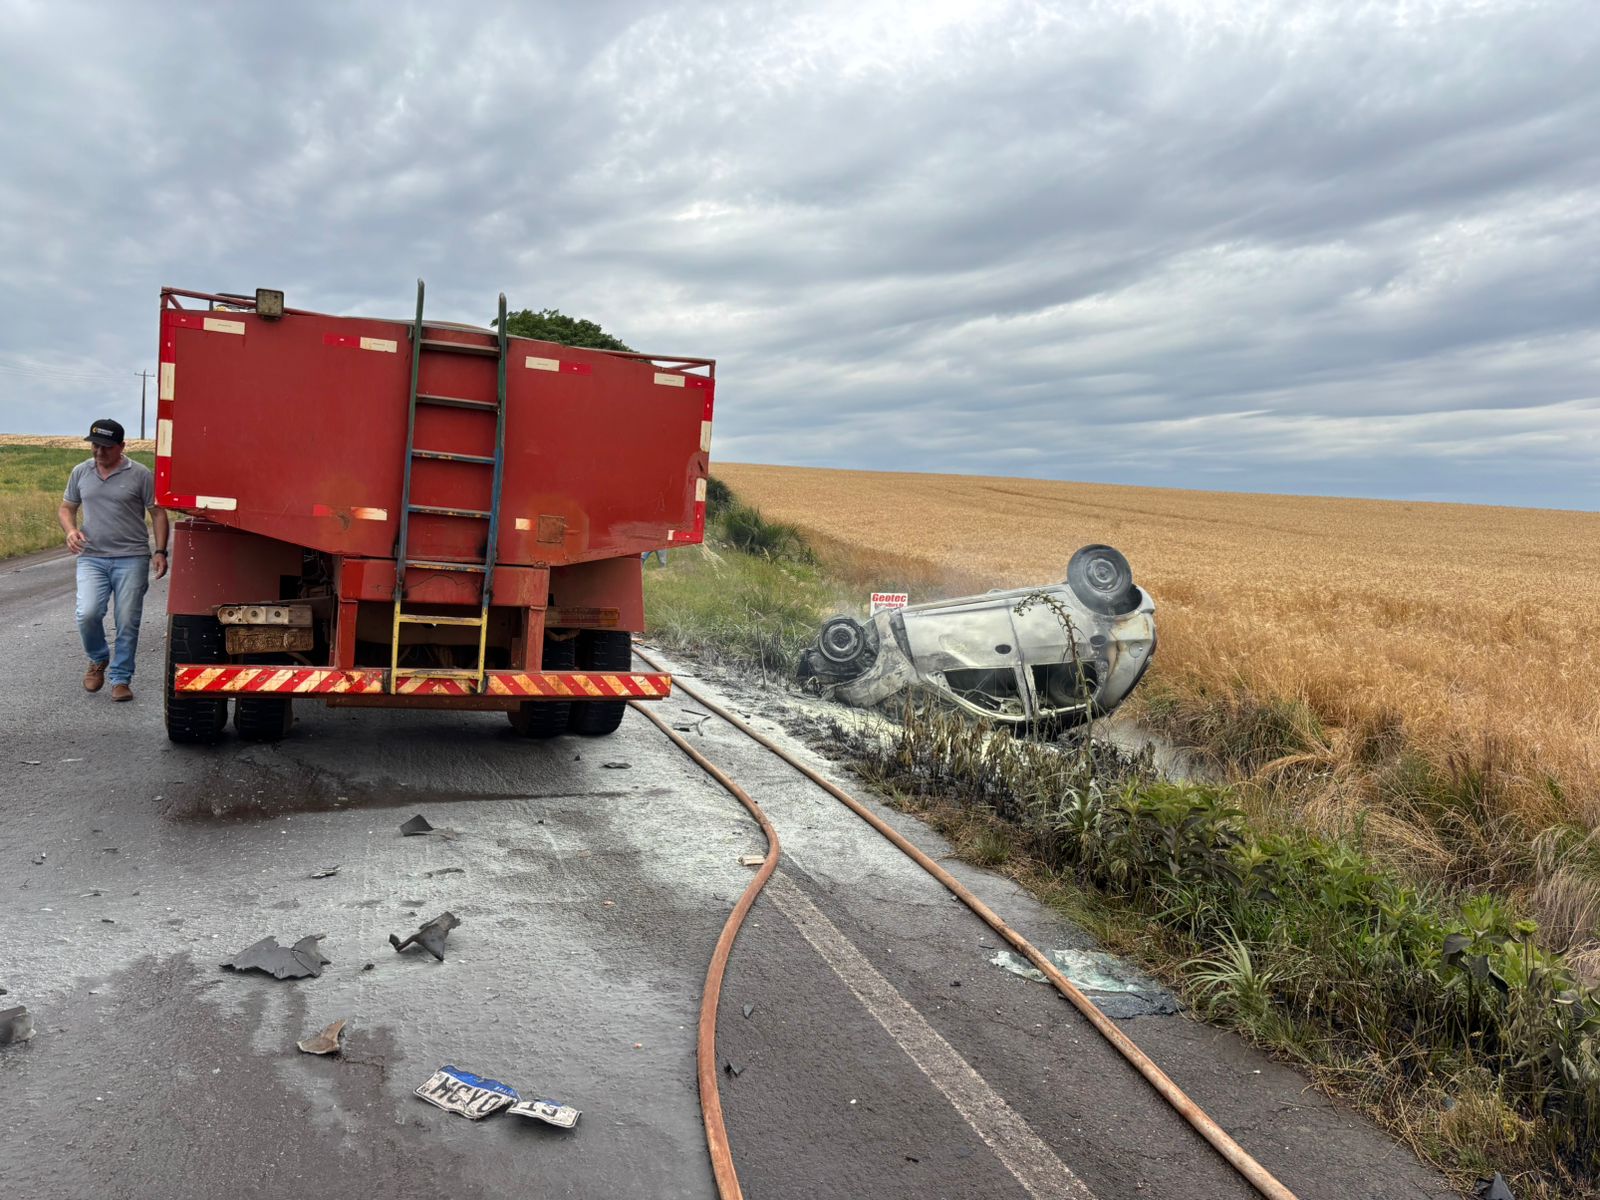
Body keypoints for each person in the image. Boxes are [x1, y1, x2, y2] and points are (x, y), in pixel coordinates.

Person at [57, 419, 168, 701]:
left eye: (106, 447)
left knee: (127, 620)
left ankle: (121, 678)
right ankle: (98, 659)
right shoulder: (81, 471)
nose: (99, 451)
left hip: (131, 558)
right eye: (95, 445)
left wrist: (160, 551)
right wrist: (71, 531)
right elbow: (67, 508)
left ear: (121, 446)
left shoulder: (140, 474)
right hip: (91, 557)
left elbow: (157, 513)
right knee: (88, 613)